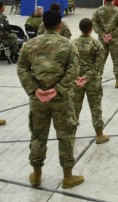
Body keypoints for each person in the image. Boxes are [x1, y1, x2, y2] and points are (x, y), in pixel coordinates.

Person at [16, 10, 83, 189]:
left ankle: (36, 175)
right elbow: (74, 70)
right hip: (62, 100)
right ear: (60, 26)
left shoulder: (30, 45)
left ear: (43, 25)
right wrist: (57, 90)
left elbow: (22, 68)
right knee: (65, 135)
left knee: (38, 135)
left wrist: (35, 89)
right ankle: (67, 177)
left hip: (38, 100)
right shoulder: (68, 45)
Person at [72, 18, 110, 144]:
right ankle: (99, 135)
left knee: (74, 108)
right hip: (92, 82)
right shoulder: (96, 44)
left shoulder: (72, 44)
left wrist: (77, 77)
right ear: (91, 29)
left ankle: (71, 134)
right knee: (95, 108)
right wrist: (87, 77)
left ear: (80, 29)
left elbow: (68, 64)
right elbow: (99, 64)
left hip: (76, 82)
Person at [91, 0, 118, 88]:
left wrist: (103, 35)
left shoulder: (98, 11)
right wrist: (112, 35)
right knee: (116, 60)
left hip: (102, 41)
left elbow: (94, 23)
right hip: (114, 40)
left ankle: (98, 80)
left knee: (100, 60)